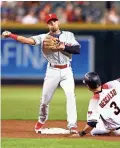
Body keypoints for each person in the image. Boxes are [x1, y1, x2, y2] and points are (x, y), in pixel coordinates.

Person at [2, 13, 80, 134]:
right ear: (47, 25)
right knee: (45, 100)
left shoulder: (69, 35)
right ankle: (41, 120)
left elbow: (77, 49)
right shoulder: (43, 37)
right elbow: (26, 41)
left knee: (71, 96)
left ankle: (72, 125)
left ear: (58, 22)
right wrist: (10, 35)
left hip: (67, 70)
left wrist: (62, 46)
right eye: (50, 22)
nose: (52, 23)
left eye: (54, 21)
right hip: (52, 71)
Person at [78, 72, 120, 137]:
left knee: (93, 130)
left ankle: (109, 133)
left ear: (88, 86)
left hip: (117, 131)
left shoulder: (95, 100)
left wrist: (81, 134)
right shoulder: (109, 85)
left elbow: (91, 123)